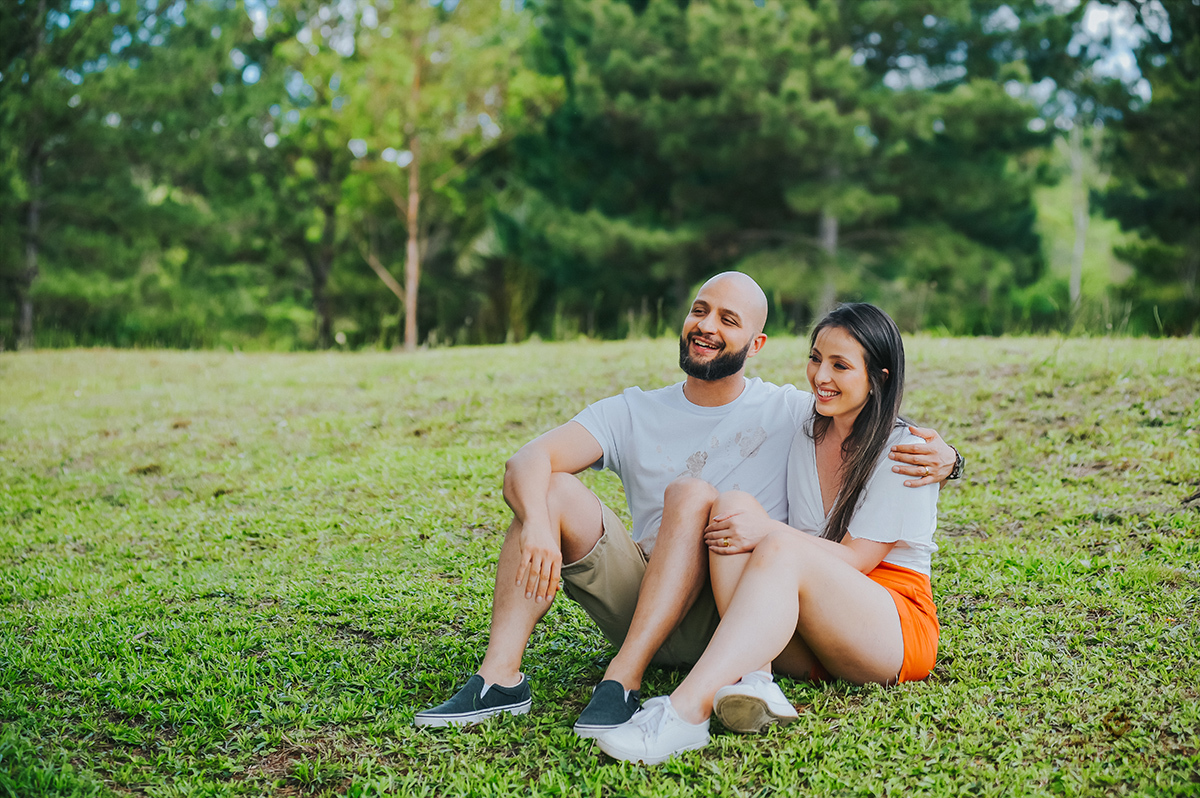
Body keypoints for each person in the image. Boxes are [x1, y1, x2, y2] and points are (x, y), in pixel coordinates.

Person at [414, 277, 958, 737]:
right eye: (700, 311)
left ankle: (630, 680)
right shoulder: (632, 411)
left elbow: (872, 415)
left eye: (729, 319)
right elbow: (527, 460)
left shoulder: (792, 409)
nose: (708, 326)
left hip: (739, 606)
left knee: (698, 494)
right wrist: (535, 524)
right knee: (549, 487)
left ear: (757, 342)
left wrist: (949, 458)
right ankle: (498, 680)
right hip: (644, 593)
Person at [596, 303, 948, 764]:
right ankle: (755, 678)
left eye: (840, 365)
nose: (821, 375)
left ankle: (686, 712)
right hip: (808, 629)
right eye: (815, 357)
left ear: (878, 377)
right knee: (732, 507)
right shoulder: (803, 427)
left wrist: (951, 458)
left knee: (773, 538)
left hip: (889, 629)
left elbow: (855, 562)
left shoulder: (905, 451)